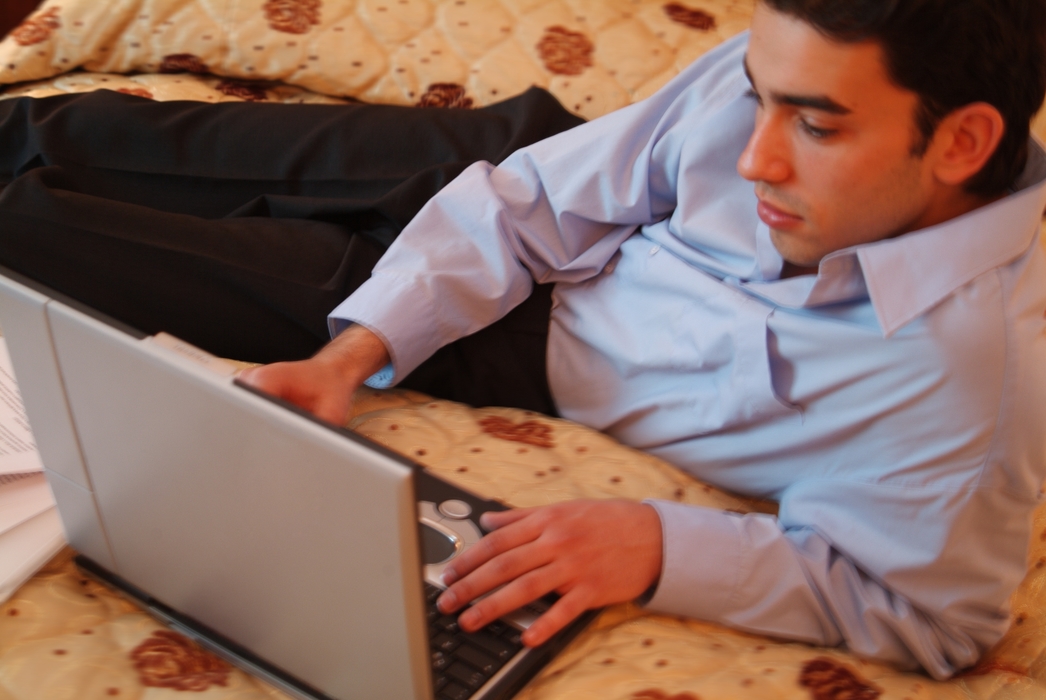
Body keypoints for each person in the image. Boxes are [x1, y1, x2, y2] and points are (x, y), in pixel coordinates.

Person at [0, 0, 1043, 681]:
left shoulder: (977, 379)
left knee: (41, 231)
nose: (756, 155)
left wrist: (662, 544)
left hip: (526, 346)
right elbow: (533, 198)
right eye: (754, 97)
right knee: (87, 130)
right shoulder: (779, 87)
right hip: (510, 181)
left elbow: (930, 616)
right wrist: (353, 351)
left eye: (813, 126)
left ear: (959, 141)